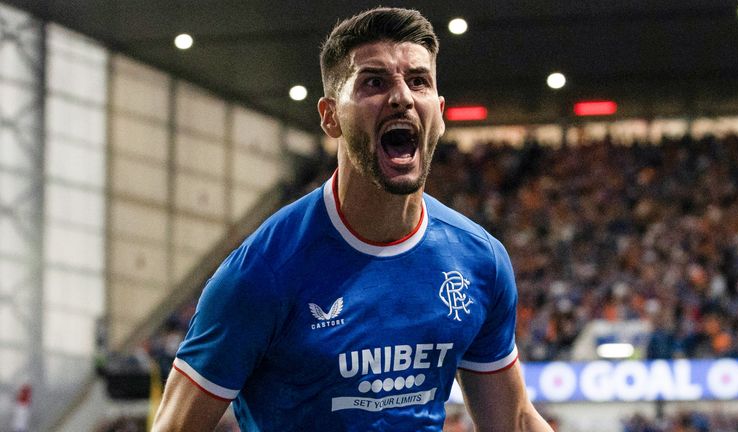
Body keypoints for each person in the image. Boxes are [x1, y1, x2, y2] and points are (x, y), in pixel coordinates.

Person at [153, 7, 551, 431]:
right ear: (329, 116)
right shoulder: (261, 273)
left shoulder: (480, 261)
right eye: (374, 82)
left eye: (418, 81)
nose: (401, 97)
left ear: (439, 110)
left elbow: (515, 420)